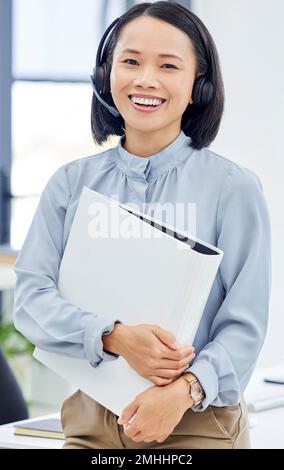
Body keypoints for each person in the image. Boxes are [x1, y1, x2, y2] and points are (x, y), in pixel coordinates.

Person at [13, 2, 271, 449]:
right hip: (92, 421)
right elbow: (32, 300)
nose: (145, 79)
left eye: (168, 65)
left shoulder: (234, 188)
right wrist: (114, 336)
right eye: (130, 61)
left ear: (199, 87)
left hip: (194, 419)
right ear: (105, 75)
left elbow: (244, 325)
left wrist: (181, 391)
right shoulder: (70, 184)